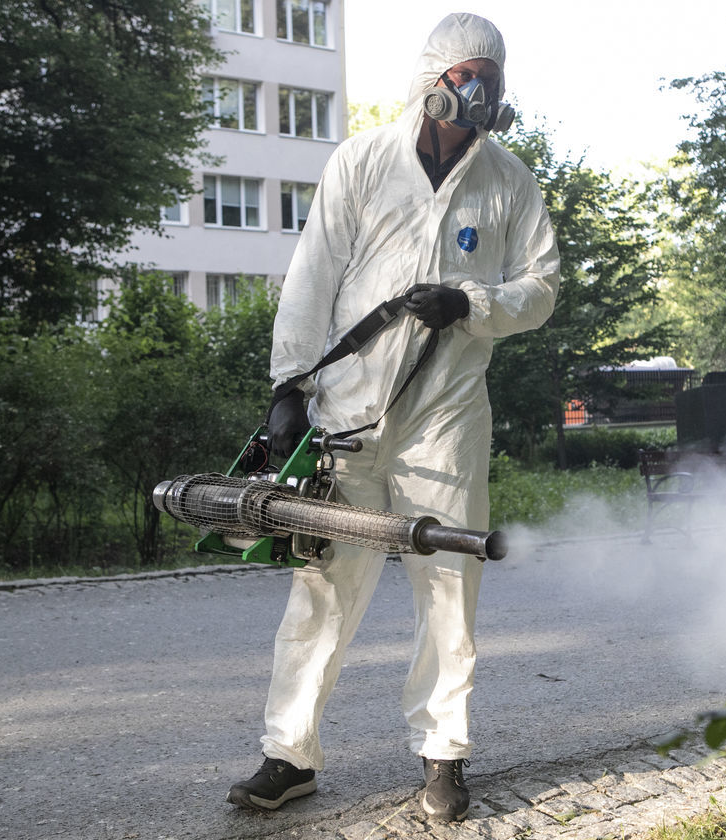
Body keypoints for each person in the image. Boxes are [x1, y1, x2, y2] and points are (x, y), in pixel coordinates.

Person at [226, 13, 559, 822]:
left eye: (493, 76)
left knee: (448, 584)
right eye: (468, 74)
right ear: (434, 77)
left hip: (443, 418)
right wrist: (287, 386)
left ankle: (443, 756)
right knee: (322, 587)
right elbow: (311, 278)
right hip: (345, 415)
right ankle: (288, 755)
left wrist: (472, 301)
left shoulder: (509, 180)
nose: (480, 91)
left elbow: (543, 290)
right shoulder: (364, 159)